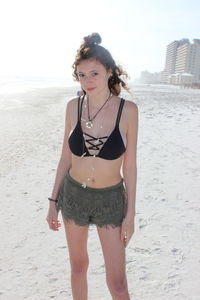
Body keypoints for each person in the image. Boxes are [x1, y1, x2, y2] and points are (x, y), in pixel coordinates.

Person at [46, 32, 138, 300]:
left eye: (94, 73)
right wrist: (53, 200)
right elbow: (65, 157)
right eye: (82, 75)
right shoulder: (73, 107)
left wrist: (130, 215)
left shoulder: (128, 111)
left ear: (110, 72)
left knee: (118, 283)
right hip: (73, 195)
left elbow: (130, 168)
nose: (88, 81)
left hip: (110, 200)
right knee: (78, 267)